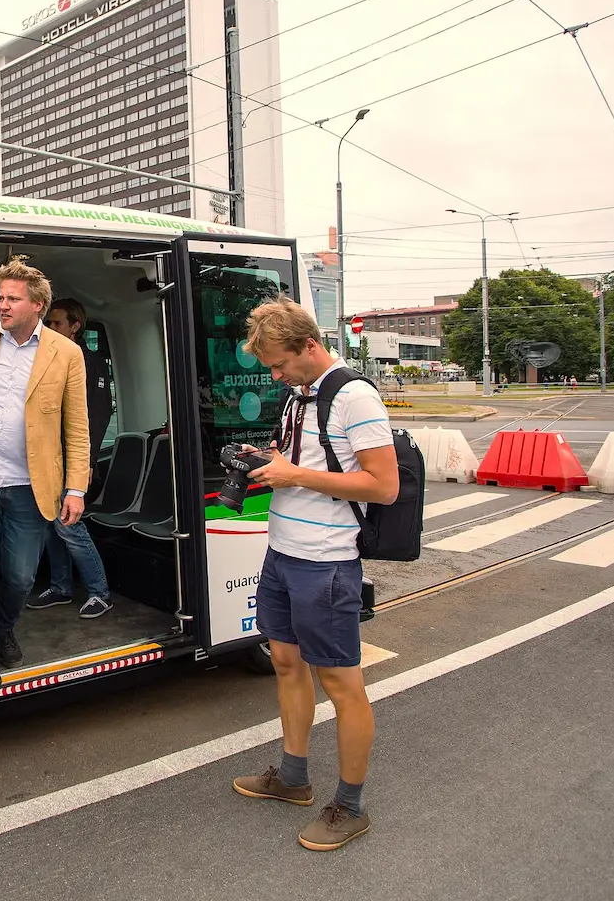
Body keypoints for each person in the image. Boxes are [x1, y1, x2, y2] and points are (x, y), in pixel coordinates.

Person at [230, 297, 399, 853]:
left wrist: (295, 472)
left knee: (341, 684)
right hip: (281, 551)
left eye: (279, 364)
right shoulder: (298, 395)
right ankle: (294, 777)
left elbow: (383, 486)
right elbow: (308, 467)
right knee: (284, 662)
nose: (274, 375)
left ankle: (350, 806)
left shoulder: (355, 396)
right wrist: (268, 463)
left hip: (326, 561)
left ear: (308, 345)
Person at [0, 259, 91, 689]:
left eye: (13, 299)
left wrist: (75, 489)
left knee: (20, 575)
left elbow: (77, 427)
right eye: (1, 297)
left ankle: (2, 627)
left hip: (32, 484)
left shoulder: (66, 353)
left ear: (38, 305)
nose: (3, 305)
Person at [25, 297, 113, 620]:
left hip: (74, 461)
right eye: (48, 323)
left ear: (75, 326)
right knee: (51, 524)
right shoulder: (51, 360)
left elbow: (98, 415)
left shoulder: (90, 363)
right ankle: (62, 586)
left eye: (57, 323)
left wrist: (86, 462)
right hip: (50, 459)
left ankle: (99, 591)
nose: (50, 328)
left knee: (69, 526)